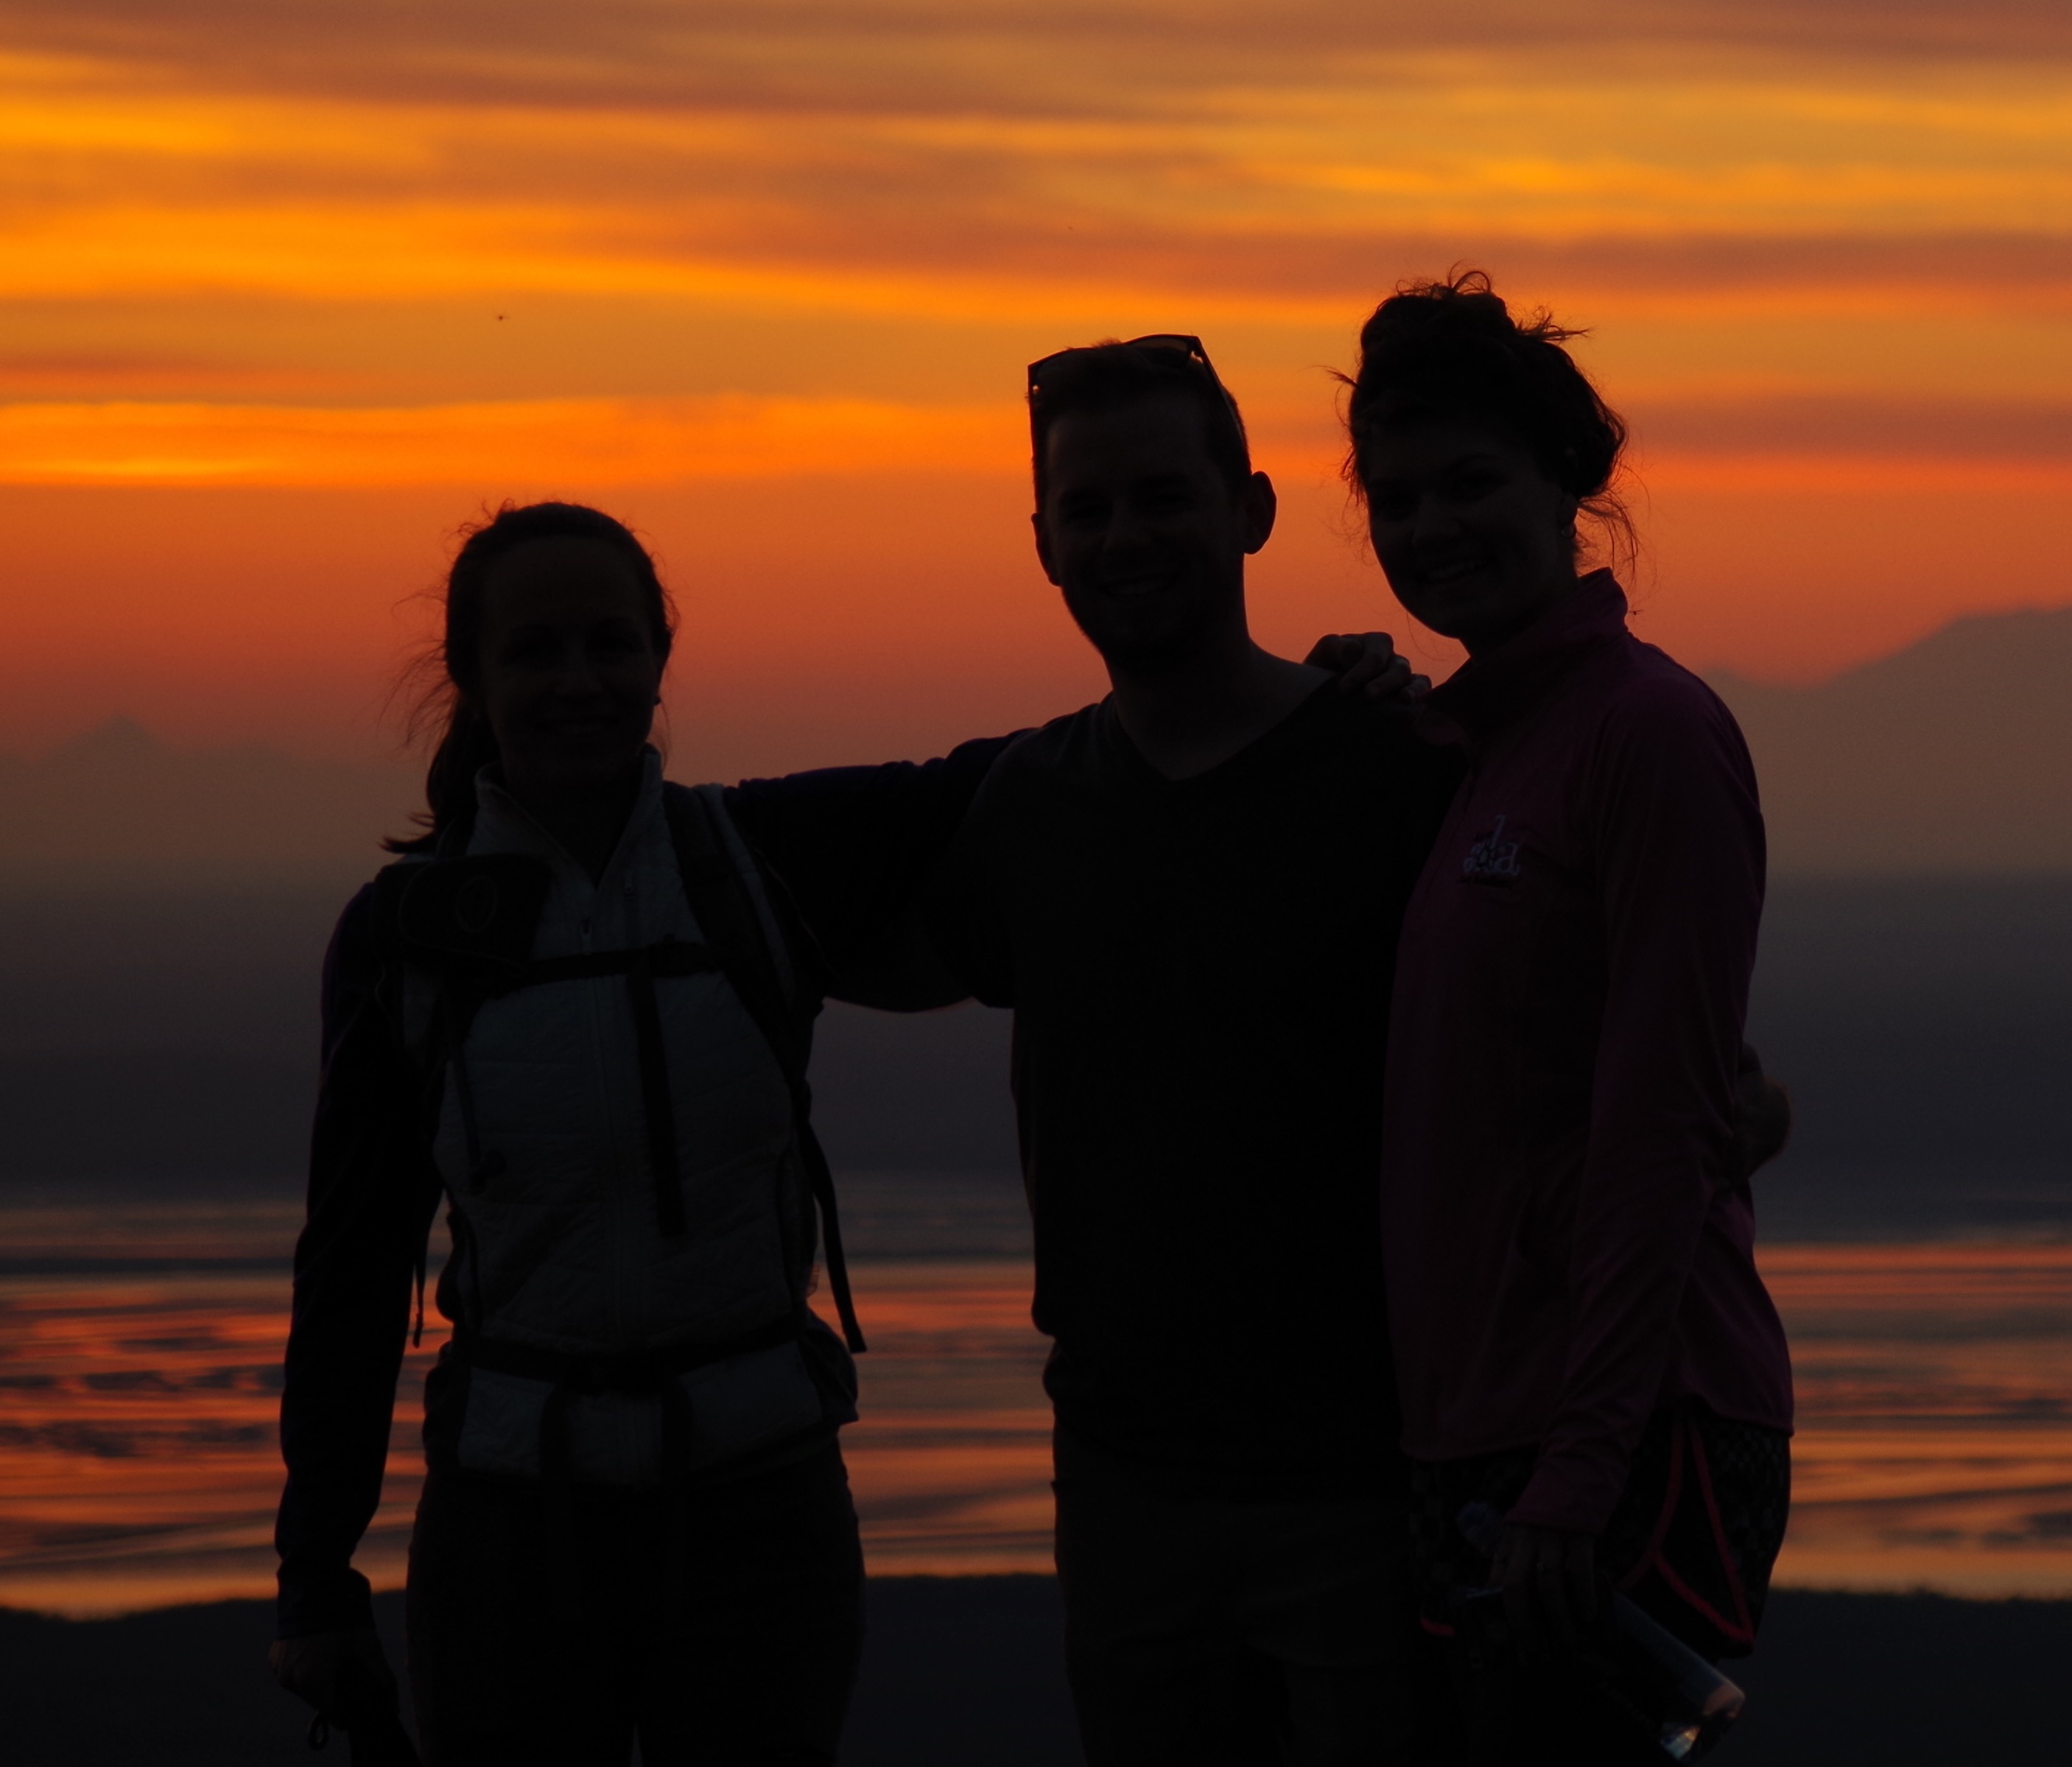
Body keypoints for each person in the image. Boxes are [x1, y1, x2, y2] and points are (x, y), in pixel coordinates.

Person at [723, 335, 1463, 1764]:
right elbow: (870, 939)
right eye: (1090, 509)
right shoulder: (1035, 803)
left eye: (1161, 498)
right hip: (1126, 1483)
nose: (1125, 536)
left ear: (1248, 511)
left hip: (1368, 1476)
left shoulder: (1397, 773)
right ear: (1045, 546)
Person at [269, 502, 956, 1767]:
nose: (578, 681)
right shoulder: (404, 937)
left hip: (760, 1517)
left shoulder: (761, 859)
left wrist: (1317, 695)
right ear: (472, 681)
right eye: (535, 652)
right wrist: (315, 1578)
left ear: (660, 660)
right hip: (512, 1535)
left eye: (610, 645)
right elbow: (355, 1265)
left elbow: (1043, 785)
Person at [1350, 275, 1796, 1760]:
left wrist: (1581, 1473)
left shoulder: (1648, 736)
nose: (1431, 530)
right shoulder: (1468, 750)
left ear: (1569, 485)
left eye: (1469, 484)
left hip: (1623, 1434)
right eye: (1395, 501)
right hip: (1479, 1435)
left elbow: (1663, 1128)